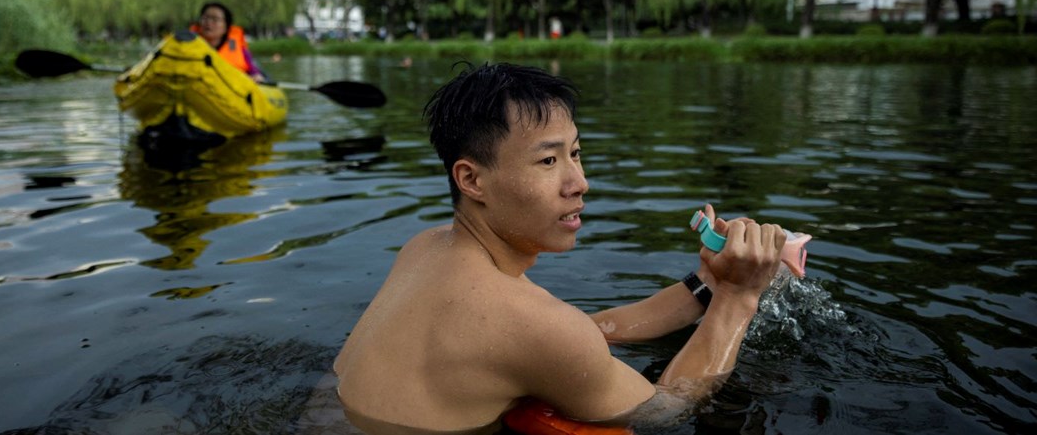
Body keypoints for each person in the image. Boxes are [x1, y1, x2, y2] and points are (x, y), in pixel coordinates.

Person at [333, 62, 786, 433]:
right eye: (548, 161)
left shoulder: (425, 248)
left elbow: (579, 332)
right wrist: (738, 298)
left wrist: (707, 283)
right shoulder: (530, 326)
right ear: (472, 179)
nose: (579, 182)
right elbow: (664, 408)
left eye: (576, 153)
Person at [191, 2, 267, 82]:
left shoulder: (239, 48)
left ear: (226, 27)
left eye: (215, 19)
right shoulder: (188, 45)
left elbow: (254, 70)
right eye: (205, 18)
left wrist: (256, 76)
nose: (208, 22)